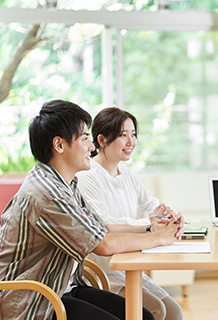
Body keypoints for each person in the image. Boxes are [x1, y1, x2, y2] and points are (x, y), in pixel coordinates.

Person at [0, 100, 183, 320]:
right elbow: (103, 244)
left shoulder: (66, 184)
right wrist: (158, 238)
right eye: (84, 138)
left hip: (61, 289)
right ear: (59, 145)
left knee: (144, 316)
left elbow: (102, 229)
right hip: (32, 303)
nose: (91, 147)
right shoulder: (47, 193)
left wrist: (151, 229)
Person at [76, 107, 183, 320]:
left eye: (133, 134)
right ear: (102, 140)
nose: (131, 142)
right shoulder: (87, 176)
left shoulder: (126, 173)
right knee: (157, 311)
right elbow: (107, 224)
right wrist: (151, 226)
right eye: (123, 135)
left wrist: (167, 217)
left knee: (174, 312)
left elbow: (149, 205)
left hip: (132, 266)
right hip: (105, 271)